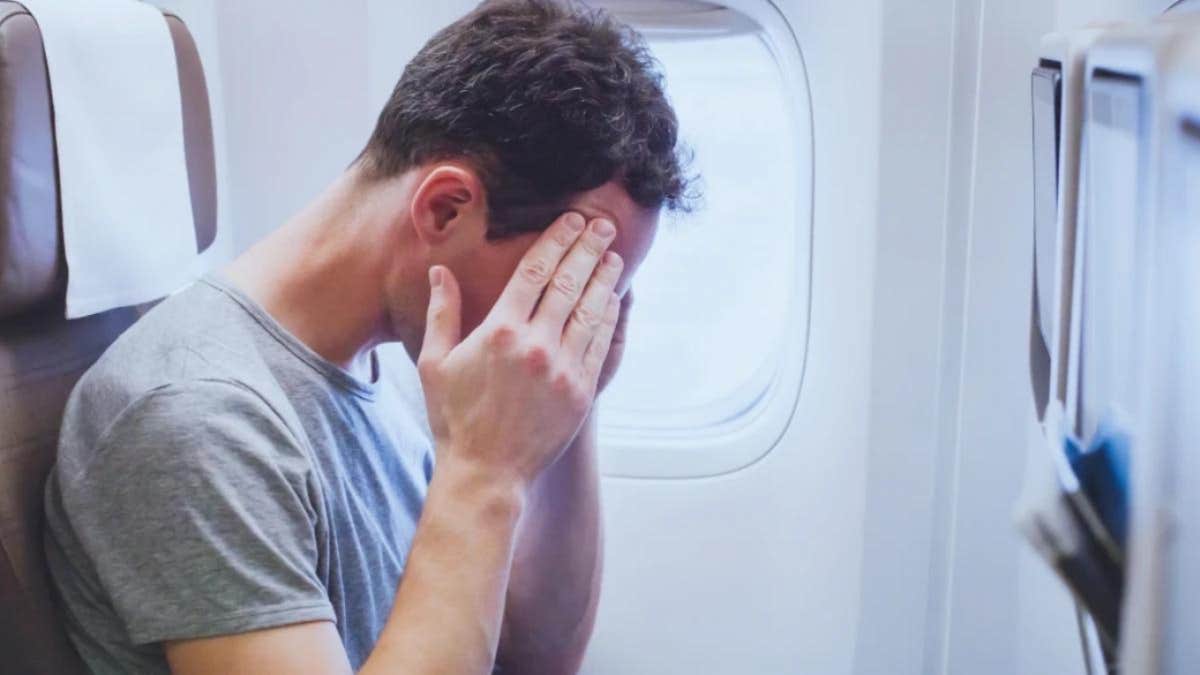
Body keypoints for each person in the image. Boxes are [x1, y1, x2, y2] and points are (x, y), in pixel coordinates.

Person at [42, 1, 694, 674]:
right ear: (446, 207)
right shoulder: (195, 417)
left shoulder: (418, 371)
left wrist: (572, 400)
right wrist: (483, 473)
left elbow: (539, 657)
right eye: (567, 280)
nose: (574, 320)